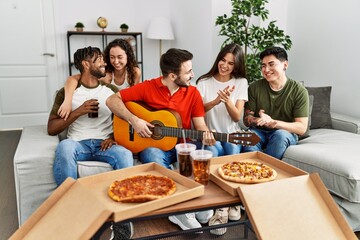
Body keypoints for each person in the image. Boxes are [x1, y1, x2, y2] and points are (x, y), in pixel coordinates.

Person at [106, 48, 216, 232]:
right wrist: (135, 120)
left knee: (208, 152)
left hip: (183, 145)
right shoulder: (148, 87)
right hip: (156, 147)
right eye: (188, 71)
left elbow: (200, 125)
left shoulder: (193, 93)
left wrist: (207, 133)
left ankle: (196, 202)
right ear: (172, 76)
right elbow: (111, 100)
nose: (193, 75)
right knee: (151, 152)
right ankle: (178, 208)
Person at [47, 46, 134, 239]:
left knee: (125, 154)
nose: (105, 63)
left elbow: (123, 120)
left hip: (105, 145)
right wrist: (78, 111)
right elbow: (52, 128)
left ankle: (123, 221)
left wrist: (113, 138)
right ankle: (71, 211)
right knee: (64, 147)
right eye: (99, 60)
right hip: (79, 144)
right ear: (86, 64)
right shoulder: (68, 93)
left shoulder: (111, 91)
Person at [196, 43, 248, 235]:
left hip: (232, 134)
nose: (224, 66)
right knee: (213, 154)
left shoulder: (241, 82)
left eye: (230, 63)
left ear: (236, 66)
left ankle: (227, 205)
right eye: (223, 60)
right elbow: (198, 112)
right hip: (210, 133)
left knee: (232, 154)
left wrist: (226, 101)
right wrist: (216, 101)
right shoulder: (203, 82)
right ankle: (219, 204)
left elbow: (237, 117)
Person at [242, 46, 309, 160]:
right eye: (263, 65)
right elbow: (246, 119)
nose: (266, 69)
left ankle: (267, 172)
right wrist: (258, 120)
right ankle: (253, 172)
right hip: (259, 131)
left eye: (271, 64)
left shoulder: (299, 91)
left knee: (280, 135)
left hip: (285, 133)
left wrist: (274, 123)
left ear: (285, 65)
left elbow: (301, 128)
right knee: (249, 136)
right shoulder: (254, 87)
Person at [58, 38, 141, 120]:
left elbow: (134, 98)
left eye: (120, 57)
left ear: (128, 56)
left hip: (125, 111)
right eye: (112, 57)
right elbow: (72, 78)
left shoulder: (135, 72)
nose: (116, 61)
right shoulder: (105, 74)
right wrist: (67, 101)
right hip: (109, 111)